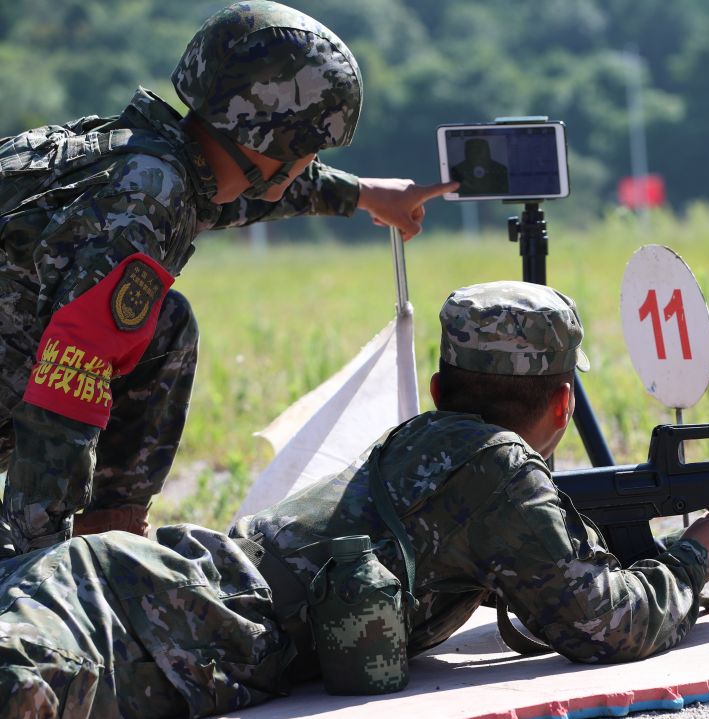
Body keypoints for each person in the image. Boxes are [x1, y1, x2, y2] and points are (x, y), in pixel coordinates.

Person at [0, 280, 709, 719]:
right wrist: (698, 556)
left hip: (145, 584)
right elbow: (607, 626)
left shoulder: (424, 441)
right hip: (174, 624)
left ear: (441, 388)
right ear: (563, 405)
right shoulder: (497, 470)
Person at [0, 1, 458, 557]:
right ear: (277, 144)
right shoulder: (145, 203)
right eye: (309, 147)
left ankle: (107, 541)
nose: (310, 159)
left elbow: (235, 196)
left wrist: (363, 194)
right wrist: (39, 567)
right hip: (33, 402)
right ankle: (90, 558)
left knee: (165, 324)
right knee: (148, 336)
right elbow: (66, 392)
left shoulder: (131, 158)